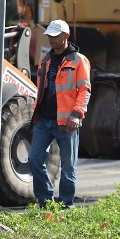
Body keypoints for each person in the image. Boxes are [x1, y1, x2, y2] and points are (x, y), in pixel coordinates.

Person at [29, 19, 91, 209]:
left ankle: (66, 205)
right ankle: (45, 201)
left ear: (65, 36)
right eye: (49, 36)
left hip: (66, 122)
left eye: (55, 36)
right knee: (34, 159)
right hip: (44, 120)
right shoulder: (45, 59)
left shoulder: (79, 60)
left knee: (68, 167)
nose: (51, 39)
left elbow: (85, 90)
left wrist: (77, 114)